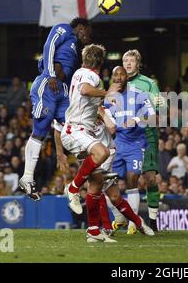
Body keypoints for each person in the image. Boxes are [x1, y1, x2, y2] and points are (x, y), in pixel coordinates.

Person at [19, 17, 92, 201]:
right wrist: (51, 74)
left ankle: (92, 170)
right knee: (40, 130)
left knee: (74, 128)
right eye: (87, 33)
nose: (88, 37)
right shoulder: (64, 29)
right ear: (81, 27)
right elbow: (48, 47)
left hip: (63, 90)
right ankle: (27, 177)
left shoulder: (77, 49)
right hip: (48, 84)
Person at [60, 44, 122, 242]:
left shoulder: (78, 72)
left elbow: (85, 98)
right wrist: (107, 94)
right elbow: (85, 90)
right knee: (102, 153)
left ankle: (94, 231)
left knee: (96, 184)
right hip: (75, 130)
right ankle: (73, 187)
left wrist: (103, 105)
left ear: (84, 59)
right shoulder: (91, 77)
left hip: (80, 131)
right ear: (100, 62)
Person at [104, 66, 156, 235]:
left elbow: (152, 114)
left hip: (135, 144)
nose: (118, 77)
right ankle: (119, 216)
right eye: (115, 75)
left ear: (127, 76)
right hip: (116, 145)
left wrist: (135, 119)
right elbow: (104, 117)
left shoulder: (139, 94)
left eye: (121, 74)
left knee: (132, 179)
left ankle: (133, 223)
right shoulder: (109, 98)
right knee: (106, 183)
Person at [122, 49, 163, 231]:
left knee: (150, 179)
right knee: (128, 179)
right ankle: (128, 220)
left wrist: (162, 103)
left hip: (147, 135)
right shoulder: (118, 83)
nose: (128, 64)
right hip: (126, 137)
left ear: (138, 64)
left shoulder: (148, 83)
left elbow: (160, 106)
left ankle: (153, 220)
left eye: (132, 61)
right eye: (126, 61)